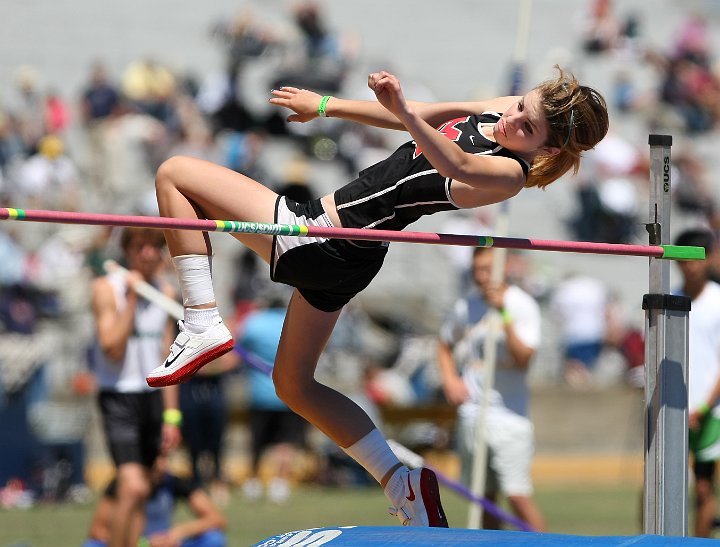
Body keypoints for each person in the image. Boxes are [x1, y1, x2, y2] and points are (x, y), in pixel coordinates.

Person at [145, 66, 609, 527]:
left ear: (545, 149)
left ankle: (202, 318)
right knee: (294, 385)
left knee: (175, 172)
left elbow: (456, 163)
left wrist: (405, 110)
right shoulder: (495, 111)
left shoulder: (509, 173)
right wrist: (325, 106)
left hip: (323, 236)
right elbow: (411, 116)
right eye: (521, 106)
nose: (513, 120)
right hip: (351, 255)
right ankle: (398, 483)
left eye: (527, 128)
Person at [436, 247, 546, 531]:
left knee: (517, 495)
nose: (481, 277)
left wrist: (503, 314)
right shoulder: (467, 305)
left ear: (505, 267)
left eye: (487, 269)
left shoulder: (521, 305)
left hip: (509, 417)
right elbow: (444, 343)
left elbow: (524, 359)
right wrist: (450, 379)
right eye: (477, 270)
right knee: (484, 500)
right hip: (473, 413)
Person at [91, 227, 182, 547]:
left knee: (145, 488)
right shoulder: (106, 288)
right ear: (127, 250)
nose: (147, 254)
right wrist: (132, 296)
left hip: (153, 398)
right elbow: (111, 347)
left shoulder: (166, 293)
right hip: (119, 396)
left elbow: (168, 358)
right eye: (140, 246)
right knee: (132, 487)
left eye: (154, 247)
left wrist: (172, 416)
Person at [236, 285, 309, 505]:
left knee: (256, 442)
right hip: (289, 393)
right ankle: (280, 483)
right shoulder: (295, 322)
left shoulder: (254, 322)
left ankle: (253, 482)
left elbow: (237, 345)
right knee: (285, 442)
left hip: (260, 393)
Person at [673, 228, 720, 537]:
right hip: (673, 408)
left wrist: (702, 406)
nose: (689, 266)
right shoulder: (670, 299)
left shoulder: (718, 301)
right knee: (659, 485)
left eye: (695, 258)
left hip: (709, 410)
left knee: (703, 488)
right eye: (683, 259)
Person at [82, 456, 227, 547]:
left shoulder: (173, 482)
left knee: (214, 539)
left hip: (166, 542)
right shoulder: (121, 484)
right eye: (156, 458)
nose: (162, 465)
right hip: (130, 543)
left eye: (164, 458)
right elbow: (97, 530)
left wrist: (178, 533)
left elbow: (216, 519)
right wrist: (143, 543)